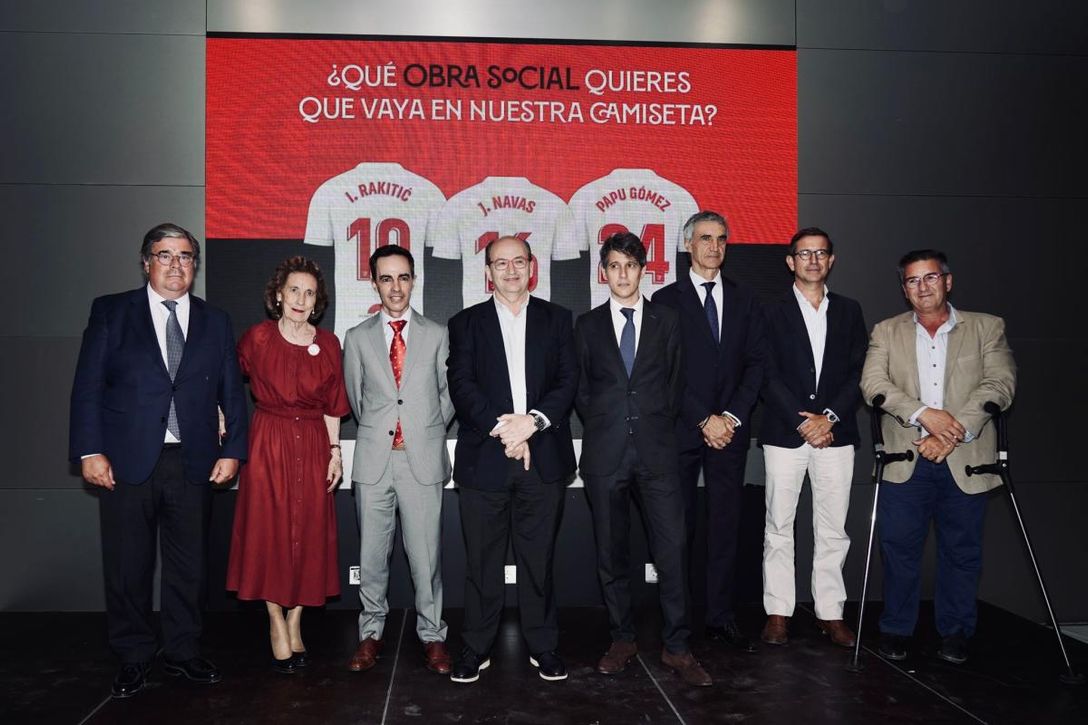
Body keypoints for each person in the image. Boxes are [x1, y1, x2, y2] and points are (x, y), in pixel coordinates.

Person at [69, 222, 248, 698]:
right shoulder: (111, 312)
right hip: (126, 460)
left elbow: (233, 392)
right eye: (165, 255)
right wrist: (90, 450)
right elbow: (87, 387)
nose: (176, 265)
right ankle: (132, 654)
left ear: (195, 265)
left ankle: (183, 651)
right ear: (146, 261)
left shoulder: (216, 320)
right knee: (128, 566)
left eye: (186, 256)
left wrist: (232, 451)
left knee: (189, 567)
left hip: (194, 460)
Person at [860, 249, 1015, 665]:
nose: (922, 287)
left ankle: (957, 631)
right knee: (899, 550)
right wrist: (924, 415)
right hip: (905, 459)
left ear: (948, 281)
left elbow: (999, 385)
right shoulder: (886, 331)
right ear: (904, 289)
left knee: (962, 552)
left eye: (930, 278)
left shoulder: (986, 328)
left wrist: (952, 431)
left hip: (965, 459)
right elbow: (873, 383)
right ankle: (895, 629)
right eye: (912, 281)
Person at [575, 232, 712, 687]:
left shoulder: (666, 320)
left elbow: (675, 385)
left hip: (657, 452)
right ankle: (622, 638)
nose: (622, 274)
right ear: (604, 272)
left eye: (630, 266)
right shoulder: (587, 326)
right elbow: (581, 391)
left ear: (643, 269)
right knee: (611, 554)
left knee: (672, 550)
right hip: (605, 454)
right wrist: (610, 421)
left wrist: (649, 423)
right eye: (613, 266)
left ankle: (676, 646)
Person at [446, 235, 578, 684]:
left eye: (518, 261)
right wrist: (509, 430)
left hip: (543, 459)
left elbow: (567, 381)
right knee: (482, 562)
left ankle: (544, 645)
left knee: (537, 560)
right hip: (485, 460)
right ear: (488, 271)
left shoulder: (558, 320)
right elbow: (462, 387)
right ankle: (475, 647)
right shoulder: (465, 324)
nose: (510, 270)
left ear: (531, 266)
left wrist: (533, 424)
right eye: (500, 263)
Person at [226, 257, 350, 673]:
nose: (301, 299)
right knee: (270, 533)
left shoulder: (329, 344)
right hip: (269, 443)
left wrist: (335, 452)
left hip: (315, 442)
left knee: (309, 535)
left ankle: (296, 619)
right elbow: (224, 379)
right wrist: (219, 413)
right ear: (278, 294)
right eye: (294, 290)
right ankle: (275, 620)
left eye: (309, 292)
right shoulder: (257, 339)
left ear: (318, 302)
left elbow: (334, 406)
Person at [652, 210, 765, 650]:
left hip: (731, 433)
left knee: (725, 525)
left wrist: (731, 418)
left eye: (720, 238)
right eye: (704, 238)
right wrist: (703, 419)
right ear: (687, 245)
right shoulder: (663, 300)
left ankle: (719, 616)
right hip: (682, 429)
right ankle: (675, 619)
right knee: (676, 528)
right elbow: (664, 370)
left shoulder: (746, 299)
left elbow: (757, 364)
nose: (713, 246)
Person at [343, 246, 455, 676]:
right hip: (374, 462)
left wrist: (424, 428)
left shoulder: (437, 334)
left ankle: (433, 636)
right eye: (386, 278)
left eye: (403, 277)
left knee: (426, 558)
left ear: (414, 280)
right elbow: (357, 398)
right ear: (374, 282)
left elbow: (448, 397)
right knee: (371, 556)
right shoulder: (357, 338)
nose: (395, 287)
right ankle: (370, 633)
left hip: (421, 460)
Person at [758, 227, 867, 647]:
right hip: (786, 433)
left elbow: (860, 371)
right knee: (778, 526)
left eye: (821, 253)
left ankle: (830, 612)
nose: (813, 260)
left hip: (836, 436)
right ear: (790, 262)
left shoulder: (850, 311)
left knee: (833, 528)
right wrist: (804, 421)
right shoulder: (770, 312)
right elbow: (765, 372)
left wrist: (830, 418)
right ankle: (778, 612)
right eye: (804, 254)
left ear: (832, 260)